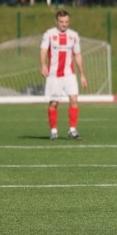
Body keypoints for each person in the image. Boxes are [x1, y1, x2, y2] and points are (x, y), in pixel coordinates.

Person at [40, 9, 88, 140]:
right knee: (54, 103)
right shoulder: (49, 34)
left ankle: (72, 130)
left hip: (69, 74)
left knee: (74, 100)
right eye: (61, 21)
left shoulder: (73, 35)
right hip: (54, 75)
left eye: (66, 22)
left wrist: (82, 74)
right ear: (56, 21)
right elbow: (43, 50)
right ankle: (53, 131)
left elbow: (77, 55)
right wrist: (43, 64)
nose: (64, 24)